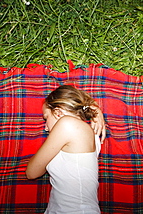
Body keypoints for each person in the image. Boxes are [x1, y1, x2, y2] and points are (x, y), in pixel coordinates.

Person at [25, 85, 106, 214]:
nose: (45, 127)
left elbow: (31, 172)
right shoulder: (88, 132)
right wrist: (95, 108)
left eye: (46, 118)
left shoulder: (68, 124)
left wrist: (94, 108)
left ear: (58, 112)